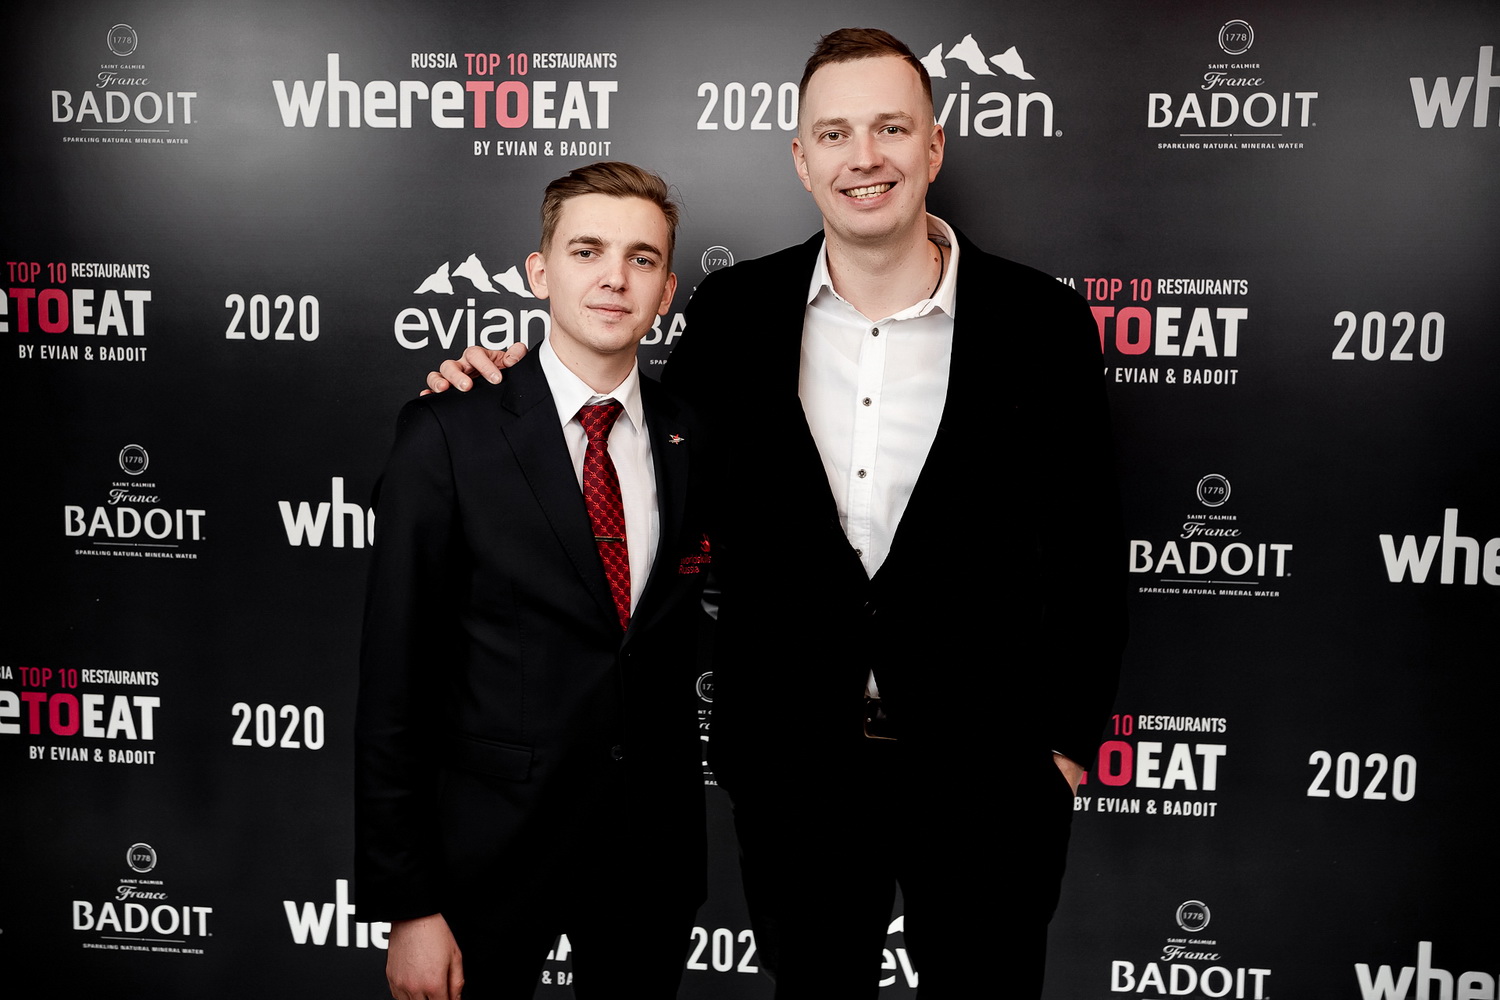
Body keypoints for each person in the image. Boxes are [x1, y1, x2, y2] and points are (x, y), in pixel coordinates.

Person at [426, 28, 1124, 999]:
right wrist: (505, 390)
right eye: (835, 133)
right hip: (796, 772)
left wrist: (1062, 752)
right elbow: (630, 437)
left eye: (890, 128)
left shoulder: (1041, 322)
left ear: (933, 147)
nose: (863, 156)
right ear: (801, 158)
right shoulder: (735, 312)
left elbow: (1090, 546)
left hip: (990, 777)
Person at [357, 162, 714, 1000]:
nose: (614, 278)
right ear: (539, 271)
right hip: (484, 860)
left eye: (641, 259)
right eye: (587, 251)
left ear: (666, 291)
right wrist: (408, 904)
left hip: (648, 860)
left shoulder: (695, 437)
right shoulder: (448, 429)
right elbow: (393, 683)